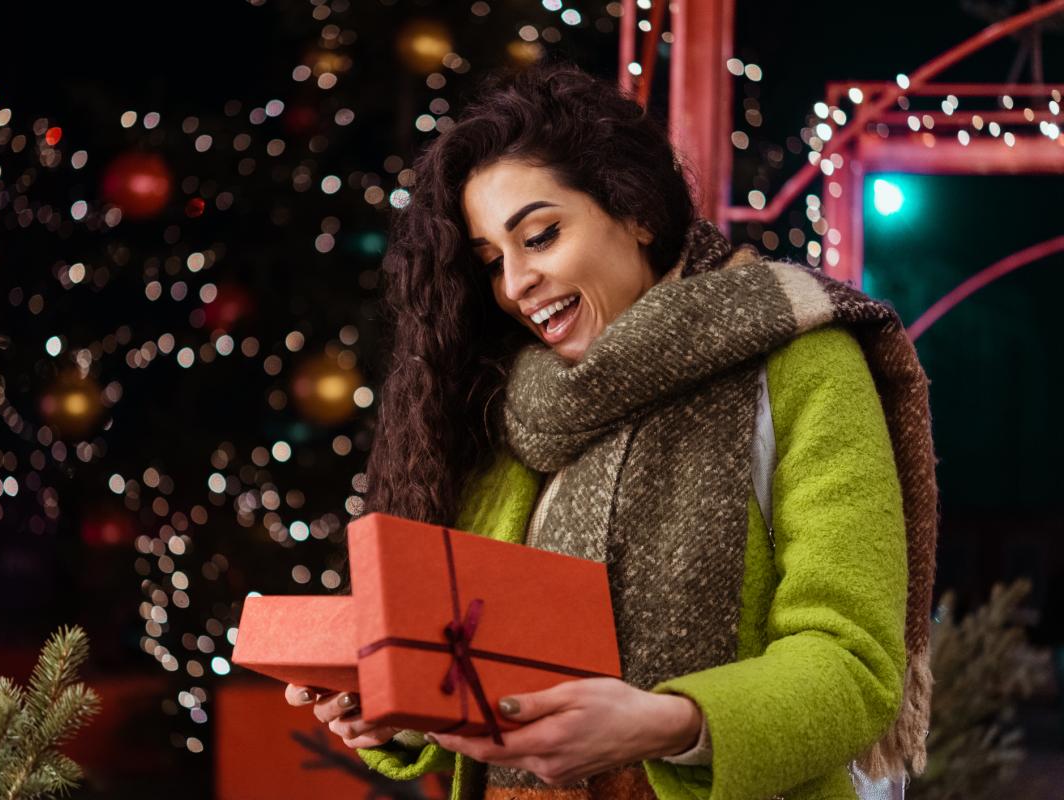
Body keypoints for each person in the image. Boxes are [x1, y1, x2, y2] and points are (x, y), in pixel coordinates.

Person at [284, 58, 939, 800]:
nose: (514, 284)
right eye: (491, 260)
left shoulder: (797, 359)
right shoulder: (508, 403)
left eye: (540, 235)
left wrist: (665, 723)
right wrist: (394, 707)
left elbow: (853, 666)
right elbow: (476, 672)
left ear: (638, 211)